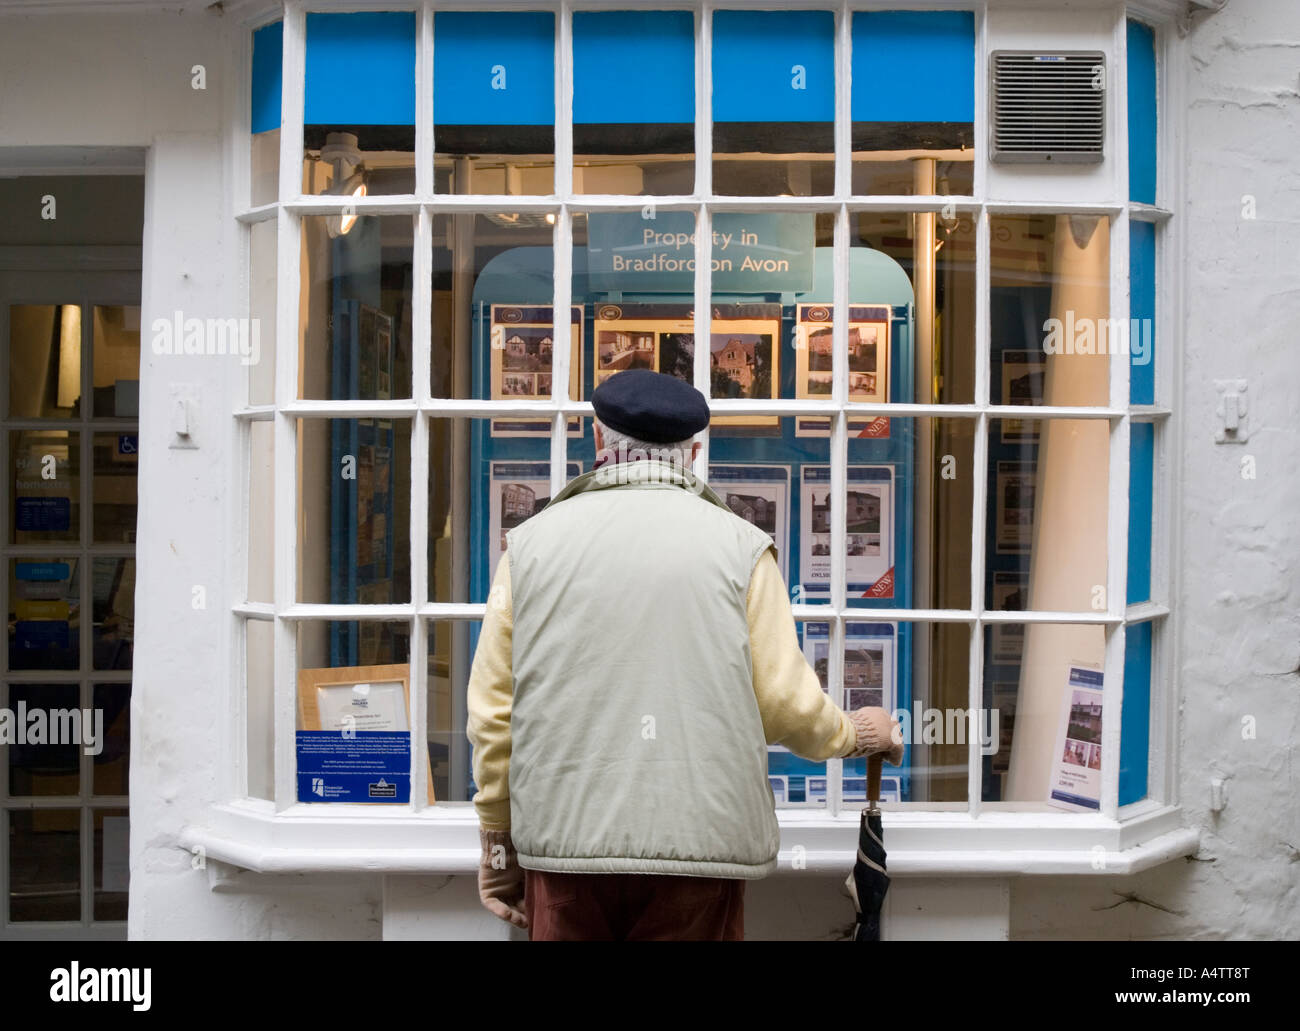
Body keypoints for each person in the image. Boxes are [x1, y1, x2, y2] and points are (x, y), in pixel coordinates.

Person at [467, 368, 904, 941]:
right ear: (694, 451)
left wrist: (499, 846)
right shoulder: (742, 547)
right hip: (701, 851)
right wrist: (858, 734)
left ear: (598, 440)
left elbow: (495, 713)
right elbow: (784, 705)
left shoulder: (529, 547)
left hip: (566, 848)